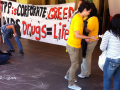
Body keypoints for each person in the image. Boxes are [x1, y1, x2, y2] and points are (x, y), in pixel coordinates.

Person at [64, 1, 98, 90]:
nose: (89, 13)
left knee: (78, 62)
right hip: (73, 45)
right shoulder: (78, 19)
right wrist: (89, 37)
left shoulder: (80, 17)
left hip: (77, 44)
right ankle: (71, 83)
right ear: (85, 10)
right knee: (75, 64)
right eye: (89, 11)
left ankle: (68, 76)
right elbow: (77, 35)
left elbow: (80, 33)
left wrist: (86, 38)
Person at [78, 3, 99, 78]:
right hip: (88, 39)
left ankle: (85, 73)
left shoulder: (93, 18)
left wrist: (81, 26)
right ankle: (87, 72)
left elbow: (87, 30)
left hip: (90, 40)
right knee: (87, 56)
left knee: (85, 56)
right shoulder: (89, 17)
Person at [100, 14, 120, 90]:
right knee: (117, 80)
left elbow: (102, 48)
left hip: (111, 59)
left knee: (107, 79)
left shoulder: (108, 33)